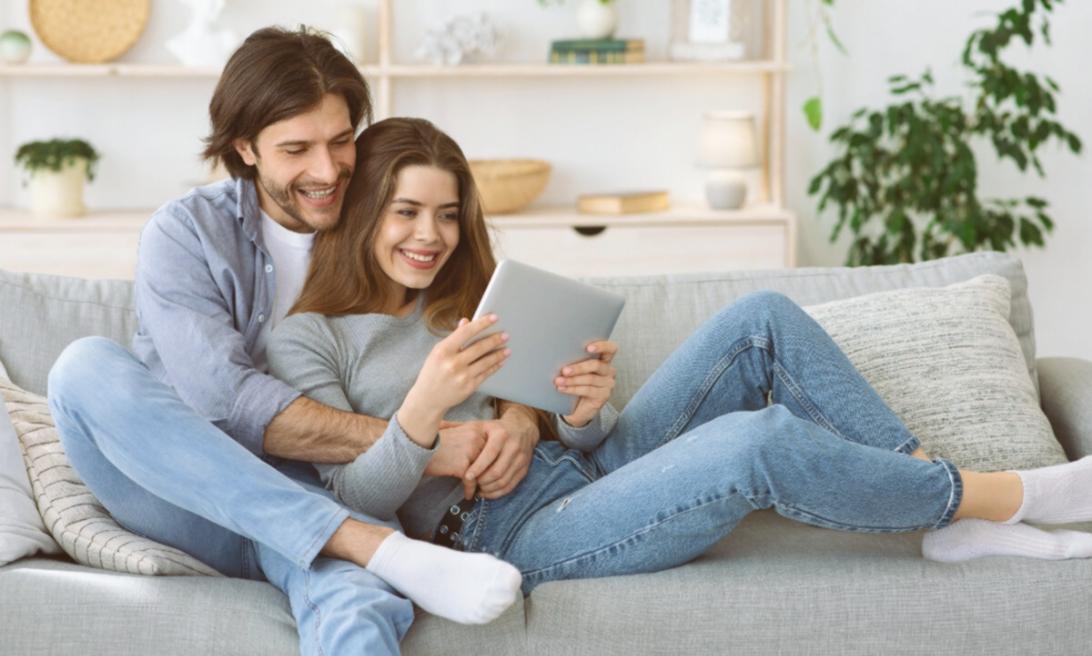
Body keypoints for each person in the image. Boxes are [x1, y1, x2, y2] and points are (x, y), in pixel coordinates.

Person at [268, 116, 1092, 600]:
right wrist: (421, 406)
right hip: (502, 532)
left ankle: (941, 502)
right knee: (753, 442)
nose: (431, 236)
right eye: (407, 212)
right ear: (365, 211)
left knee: (761, 320)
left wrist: (582, 412)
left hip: (590, 474)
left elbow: (574, 437)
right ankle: (996, 499)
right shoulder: (309, 336)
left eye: (448, 216)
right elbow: (350, 500)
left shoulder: (471, 298)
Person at [45, 27, 529, 656]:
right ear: (246, 147)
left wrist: (520, 418)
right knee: (83, 368)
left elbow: (481, 321)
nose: (326, 171)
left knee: (357, 603)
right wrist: (422, 445)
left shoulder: (391, 211)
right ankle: (368, 544)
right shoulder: (188, 235)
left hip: (335, 491)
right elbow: (226, 400)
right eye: (297, 149)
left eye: (339, 141)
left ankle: (367, 549)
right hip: (195, 493)